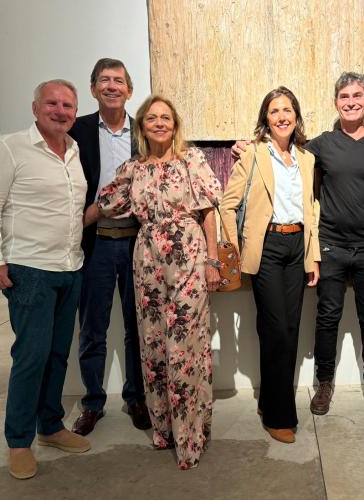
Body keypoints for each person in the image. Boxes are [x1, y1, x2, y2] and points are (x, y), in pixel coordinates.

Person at [0, 58, 151, 436]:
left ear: (129, 90)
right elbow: (35, 151)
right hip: (93, 243)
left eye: (119, 80)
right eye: (104, 80)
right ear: (93, 89)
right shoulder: (76, 129)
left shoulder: (144, 131)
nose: (111, 86)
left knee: (137, 326)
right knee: (91, 329)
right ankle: (93, 403)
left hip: (137, 243)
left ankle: (135, 397)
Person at [234, 72, 364, 418]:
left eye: (357, 95)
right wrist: (246, 147)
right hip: (330, 246)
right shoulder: (320, 146)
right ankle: (324, 384)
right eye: (344, 96)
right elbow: (282, 151)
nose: (351, 102)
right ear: (336, 102)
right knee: (327, 318)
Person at [84, 94, 222, 469]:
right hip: (147, 260)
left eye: (166, 118)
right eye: (152, 118)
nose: (159, 123)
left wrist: (212, 260)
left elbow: (209, 211)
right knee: (154, 343)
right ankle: (165, 429)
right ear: (142, 127)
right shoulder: (133, 169)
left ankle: (191, 435)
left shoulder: (192, 159)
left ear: (175, 125)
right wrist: (68, 227)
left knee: (186, 345)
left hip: (189, 257)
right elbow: (103, 205)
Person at [0, 80, 91, 480]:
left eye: (68, 105)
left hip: (70, 268)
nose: (60, 111)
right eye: (52, 103)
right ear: (35, 107)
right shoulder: (10, 148)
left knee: (57, 355)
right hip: (29, 270)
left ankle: (51, 426)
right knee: (30, 357)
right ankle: (19, 442)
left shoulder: (74, 150)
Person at [220, 87, 320, 444]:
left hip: (297, 247)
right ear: (266, 118)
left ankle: (268, 401)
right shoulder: (253, 154)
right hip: (267, 248)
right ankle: (280, 415)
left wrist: (313, 255)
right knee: (276, 330)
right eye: (274, 110)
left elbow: (312, 209)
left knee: (288, 330)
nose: (281, 116)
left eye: (287, 109)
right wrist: (235, 251)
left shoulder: (306, 159)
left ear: (296, 116)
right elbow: (227, 204)